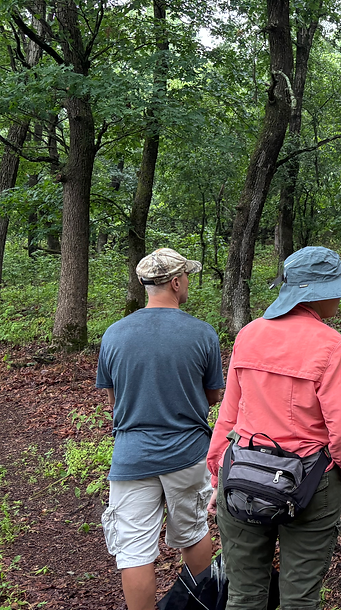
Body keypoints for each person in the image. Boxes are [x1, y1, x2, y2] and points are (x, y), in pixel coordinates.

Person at [206, 246, 341, 610]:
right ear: (316, 293)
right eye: (335, 288)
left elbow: (229, 414)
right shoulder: (330, 343)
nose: (339, 296)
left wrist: (218, 475)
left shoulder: (249, 334)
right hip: (309, 482)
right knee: (300, 598)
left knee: (243, 595)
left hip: (242, 474)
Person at [96, 248, 224, 610]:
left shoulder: (114, 334)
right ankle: (205, 604)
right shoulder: (202, 333)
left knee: (134, 549)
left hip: (132, 457)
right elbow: (214, 394)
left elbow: (113, 400)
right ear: (175, 282)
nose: (187, 285)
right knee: (193, 532)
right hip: (187, 454)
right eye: (187, 278)